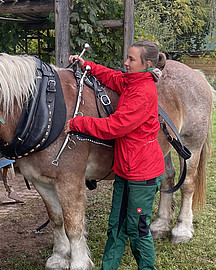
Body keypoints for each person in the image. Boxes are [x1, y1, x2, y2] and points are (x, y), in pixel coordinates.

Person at [66, 39, 166, 270]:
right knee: (116, 226)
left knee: (137, 229)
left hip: (143, 174)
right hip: (125, 169)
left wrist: (78, 123)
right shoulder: (132, 81)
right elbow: (113, 77)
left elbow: (116, 126)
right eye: (127, 57)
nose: (126, 62)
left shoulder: (143, 92)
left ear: (147, 63)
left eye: (131, 59)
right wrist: (86, 65)